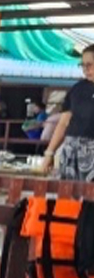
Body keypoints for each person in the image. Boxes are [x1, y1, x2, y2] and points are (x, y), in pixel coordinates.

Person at [44, 44, 94, 181]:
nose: (85, 69)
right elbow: (63, 123)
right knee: (67, 191)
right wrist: (50, 152)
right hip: (71, 150)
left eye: (89, 65)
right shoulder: (77, 89)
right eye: (82, 65)